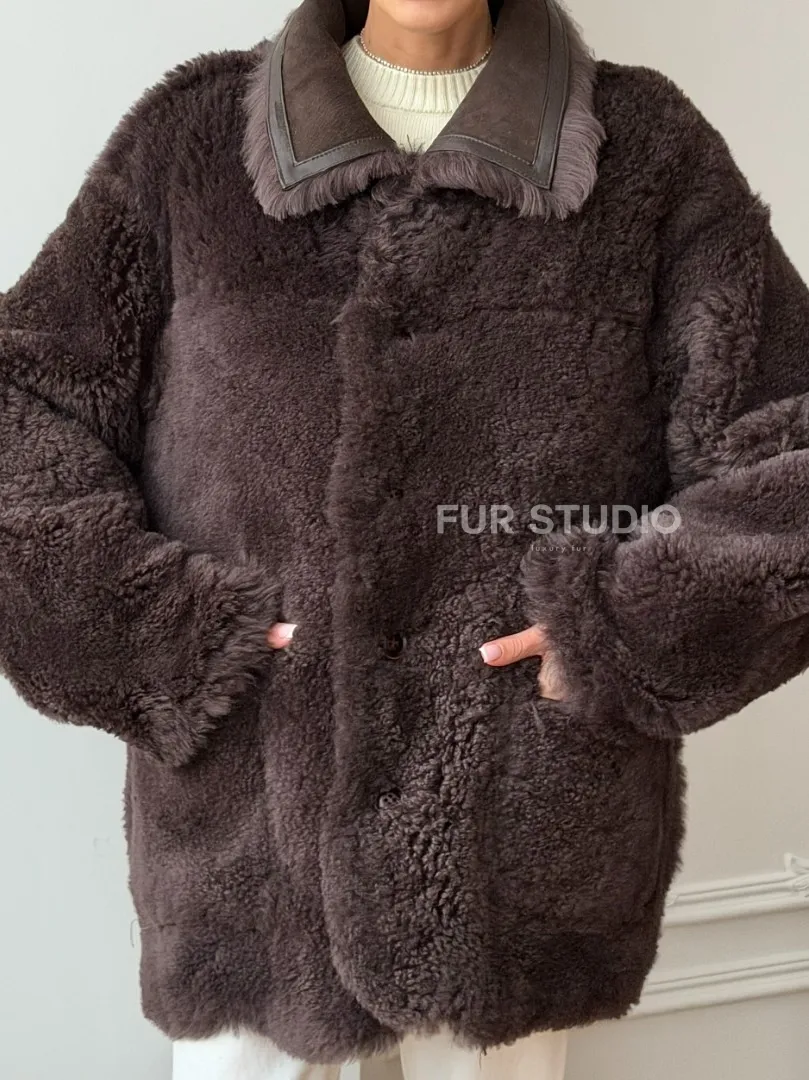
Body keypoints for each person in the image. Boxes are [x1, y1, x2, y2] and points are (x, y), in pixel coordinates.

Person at [2, 0, 809, 1077]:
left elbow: (788, 454)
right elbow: (22, 404)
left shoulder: (646, 154)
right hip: (250, 839)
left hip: (519, 835)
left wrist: (620, 631)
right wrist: (164, 634)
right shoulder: (191, 143)